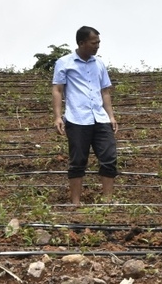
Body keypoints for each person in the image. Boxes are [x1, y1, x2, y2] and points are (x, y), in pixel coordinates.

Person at [51, 26, 118, 206]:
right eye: (93, 42)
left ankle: (107, 201)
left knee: (109, 158)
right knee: (78, 161)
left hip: (100, 118)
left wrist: (111, 116)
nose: (97, 46)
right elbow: (57, 89)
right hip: (77, 118)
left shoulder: (100, 64)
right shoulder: (64, 62)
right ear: (81, 43)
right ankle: (75, 203)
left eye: (98, 42)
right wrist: (58, 117)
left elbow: (105, 92)